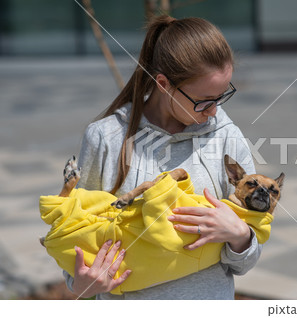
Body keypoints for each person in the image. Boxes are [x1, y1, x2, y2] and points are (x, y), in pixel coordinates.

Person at [63, 15, 261, 300]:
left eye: (222, 96)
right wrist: (80, 283)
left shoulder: (227, 137)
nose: (214, 111)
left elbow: (247, 259)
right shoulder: (105, 138)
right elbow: (73, 233)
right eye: (204, 101)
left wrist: (241, 237)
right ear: (164, 84)